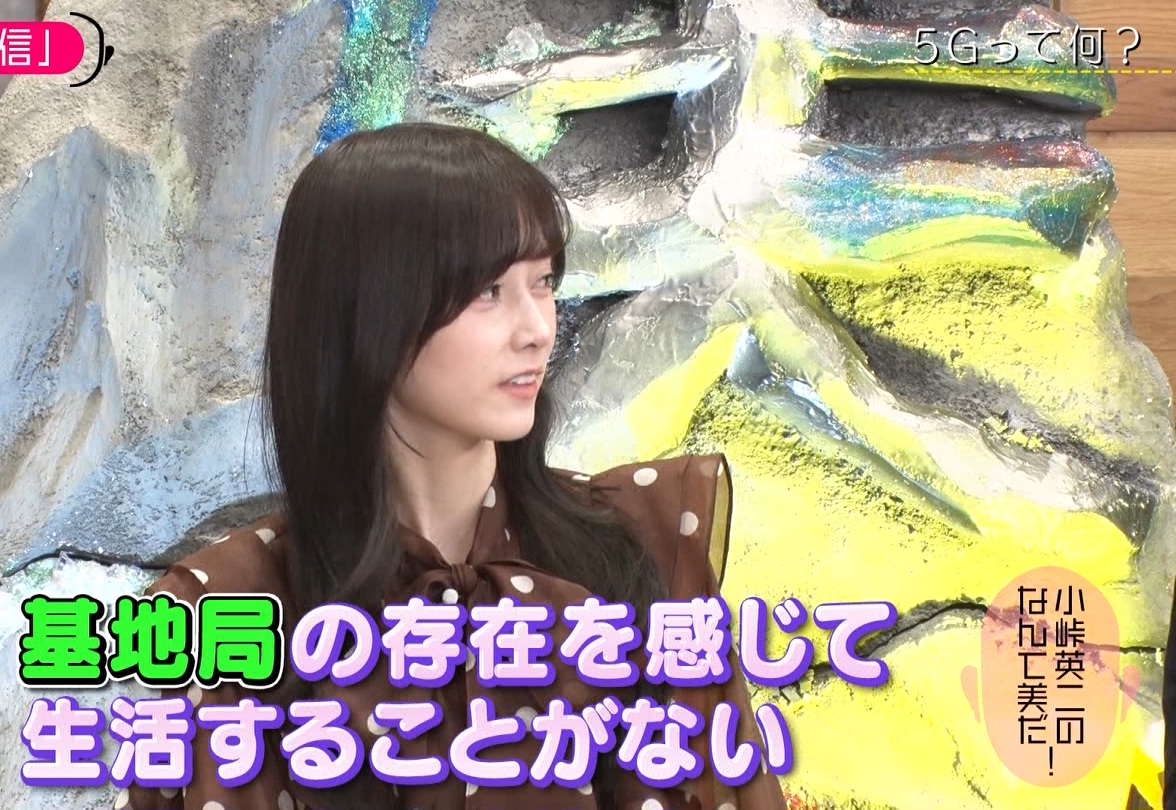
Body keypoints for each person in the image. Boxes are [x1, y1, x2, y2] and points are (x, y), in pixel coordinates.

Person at [124, 122, 788, 810]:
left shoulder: (639, 545)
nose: (537, 329)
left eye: (543, 282)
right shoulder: (229, 611)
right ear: (365, 312)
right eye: (487, 290)